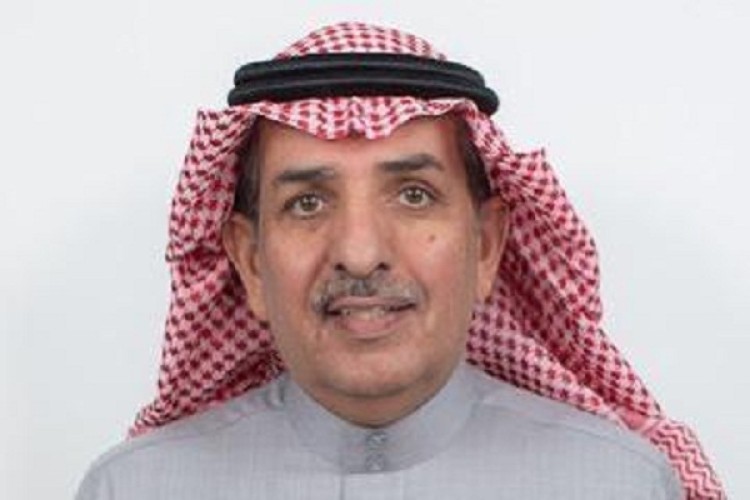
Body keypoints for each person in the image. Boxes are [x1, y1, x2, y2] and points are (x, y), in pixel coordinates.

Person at [75, 22, 724, 499]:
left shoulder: (619, 484)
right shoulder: (132, 489)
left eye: (414, 195)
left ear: (487, 246)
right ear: (249, 263)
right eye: (307, 203)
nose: (360, 253)